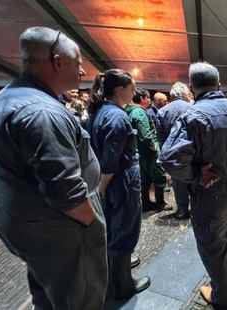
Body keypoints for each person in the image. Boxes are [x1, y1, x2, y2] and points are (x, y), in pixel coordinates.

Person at [0, 26, 107, 309]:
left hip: (25, 219)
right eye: (78, 63)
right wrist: (93, 224)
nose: (83, 72)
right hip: (61, 228)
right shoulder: (42, 113)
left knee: (50, 293)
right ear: (57, 61)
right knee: (80, 298)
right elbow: (66, 192)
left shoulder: (8, 97)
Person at [159, 62, 227, 310]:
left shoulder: (192, 116)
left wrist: (197, 174)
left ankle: (223, 298)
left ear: (191, 87)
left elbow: (169, 158)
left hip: (210, 194)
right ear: (219, 85)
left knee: (214, 246)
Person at [86, 68, 150, 300]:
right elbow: (110, 162)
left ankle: (118, 266)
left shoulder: (101, 111)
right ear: (119, 89)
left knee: (113, 229)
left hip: (111, 182)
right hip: (120, 182)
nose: (135, 91)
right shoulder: (117, 116)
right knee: (124, 230)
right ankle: (123, 286)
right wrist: (102, 188)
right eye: (132, 87)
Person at [156, 82, 193, 220]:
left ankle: (182, 210)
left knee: (178, 183)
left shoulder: (162, 112)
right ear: (184, 93)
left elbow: (161, 139)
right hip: (191, 152)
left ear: (171, 95)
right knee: (194, 181)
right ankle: (196, 209)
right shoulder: (193, 107)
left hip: (174, 155)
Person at [128, 88, 168, 212]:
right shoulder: (139, 112)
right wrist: (156, 150)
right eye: (148, 98)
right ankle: (160, 203)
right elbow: (146, 135)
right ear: (142, 99)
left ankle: (145, 203)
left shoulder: (129, 111)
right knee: (159, 176)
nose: (150, 100)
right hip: (148, 153)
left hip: (139, 152)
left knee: (145, 179)